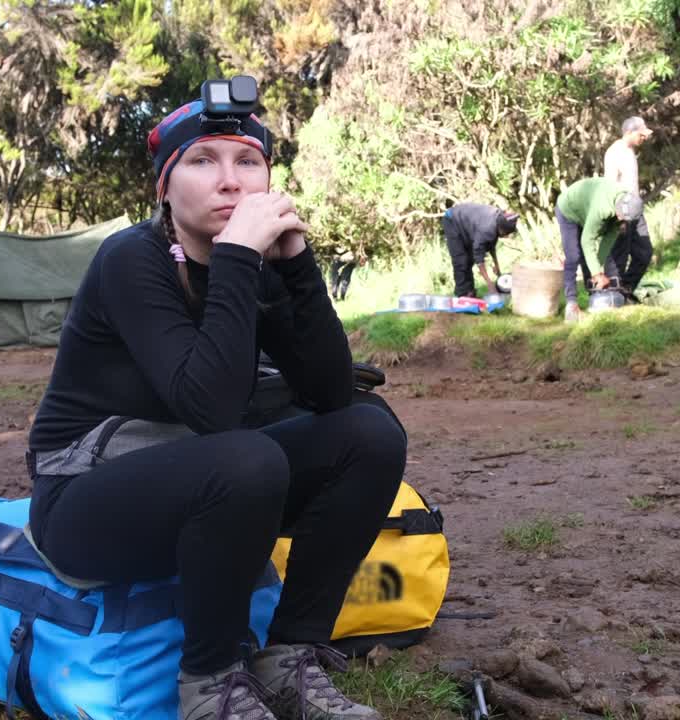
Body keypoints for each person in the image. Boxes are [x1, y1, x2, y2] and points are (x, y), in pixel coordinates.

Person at [25, 82, 406, 720]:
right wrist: (235, 258)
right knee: (245, 457)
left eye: (247, 161)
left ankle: (292, 658)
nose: (230, 181)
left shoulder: (250, 266)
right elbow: (212, 410)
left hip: (203, 482)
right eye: (203, 160)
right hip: (84, 501)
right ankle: (211, 684)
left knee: (369, 432)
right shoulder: (131, 260)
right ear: (164, 188)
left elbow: (331, 393)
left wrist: (296, 265)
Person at [555, 178, 644, 323]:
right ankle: (571, 304)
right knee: (573, 256)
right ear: (618, 207)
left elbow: (607, 241)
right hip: (569, 209)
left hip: (585, 210)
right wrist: (597, 273)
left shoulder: (626, 206)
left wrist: (598, 269)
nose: (621, 218)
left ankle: (594, 300)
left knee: (588, 258)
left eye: (624, 218)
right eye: (620, 215)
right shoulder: (602, 207)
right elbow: (587, 240)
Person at [603, 116, 654, 293]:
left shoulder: (630, 150)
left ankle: (626, 288)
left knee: (644, 252)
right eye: (641, 134)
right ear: (629, 133)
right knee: (619, 255)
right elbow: (610, 184)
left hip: (635, 209)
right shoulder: (615, 152)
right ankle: (611, 295)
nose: (644, 138)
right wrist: (617, 214)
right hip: (621, 210)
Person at [441, 202, 519, 297]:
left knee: (469, 260)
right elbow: (479, 259)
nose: (506, 236)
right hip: (452, 220)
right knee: (461, 260)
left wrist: (497, 266)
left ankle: (469, 291)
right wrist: (489, 283)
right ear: (501, 229)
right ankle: (462, 295)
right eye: (506, 234)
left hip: (467, 226)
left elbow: (491, 246)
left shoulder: (497, 221)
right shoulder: (487, 229)